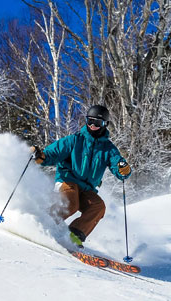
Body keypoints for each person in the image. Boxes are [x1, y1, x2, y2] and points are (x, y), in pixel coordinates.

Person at [31, 105, 131, 248]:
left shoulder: (109, 149)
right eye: (90, 121)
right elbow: (53, 153)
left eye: (98, 123)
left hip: (87, 188)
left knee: (98, 206)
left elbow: (118, 167)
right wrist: (41, 156)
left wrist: (123, 170)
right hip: (67, 181)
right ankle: (43, 223)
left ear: (105, 124)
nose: (93, 125)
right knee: (71, 203)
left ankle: (73, 237)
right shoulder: (74, 140)